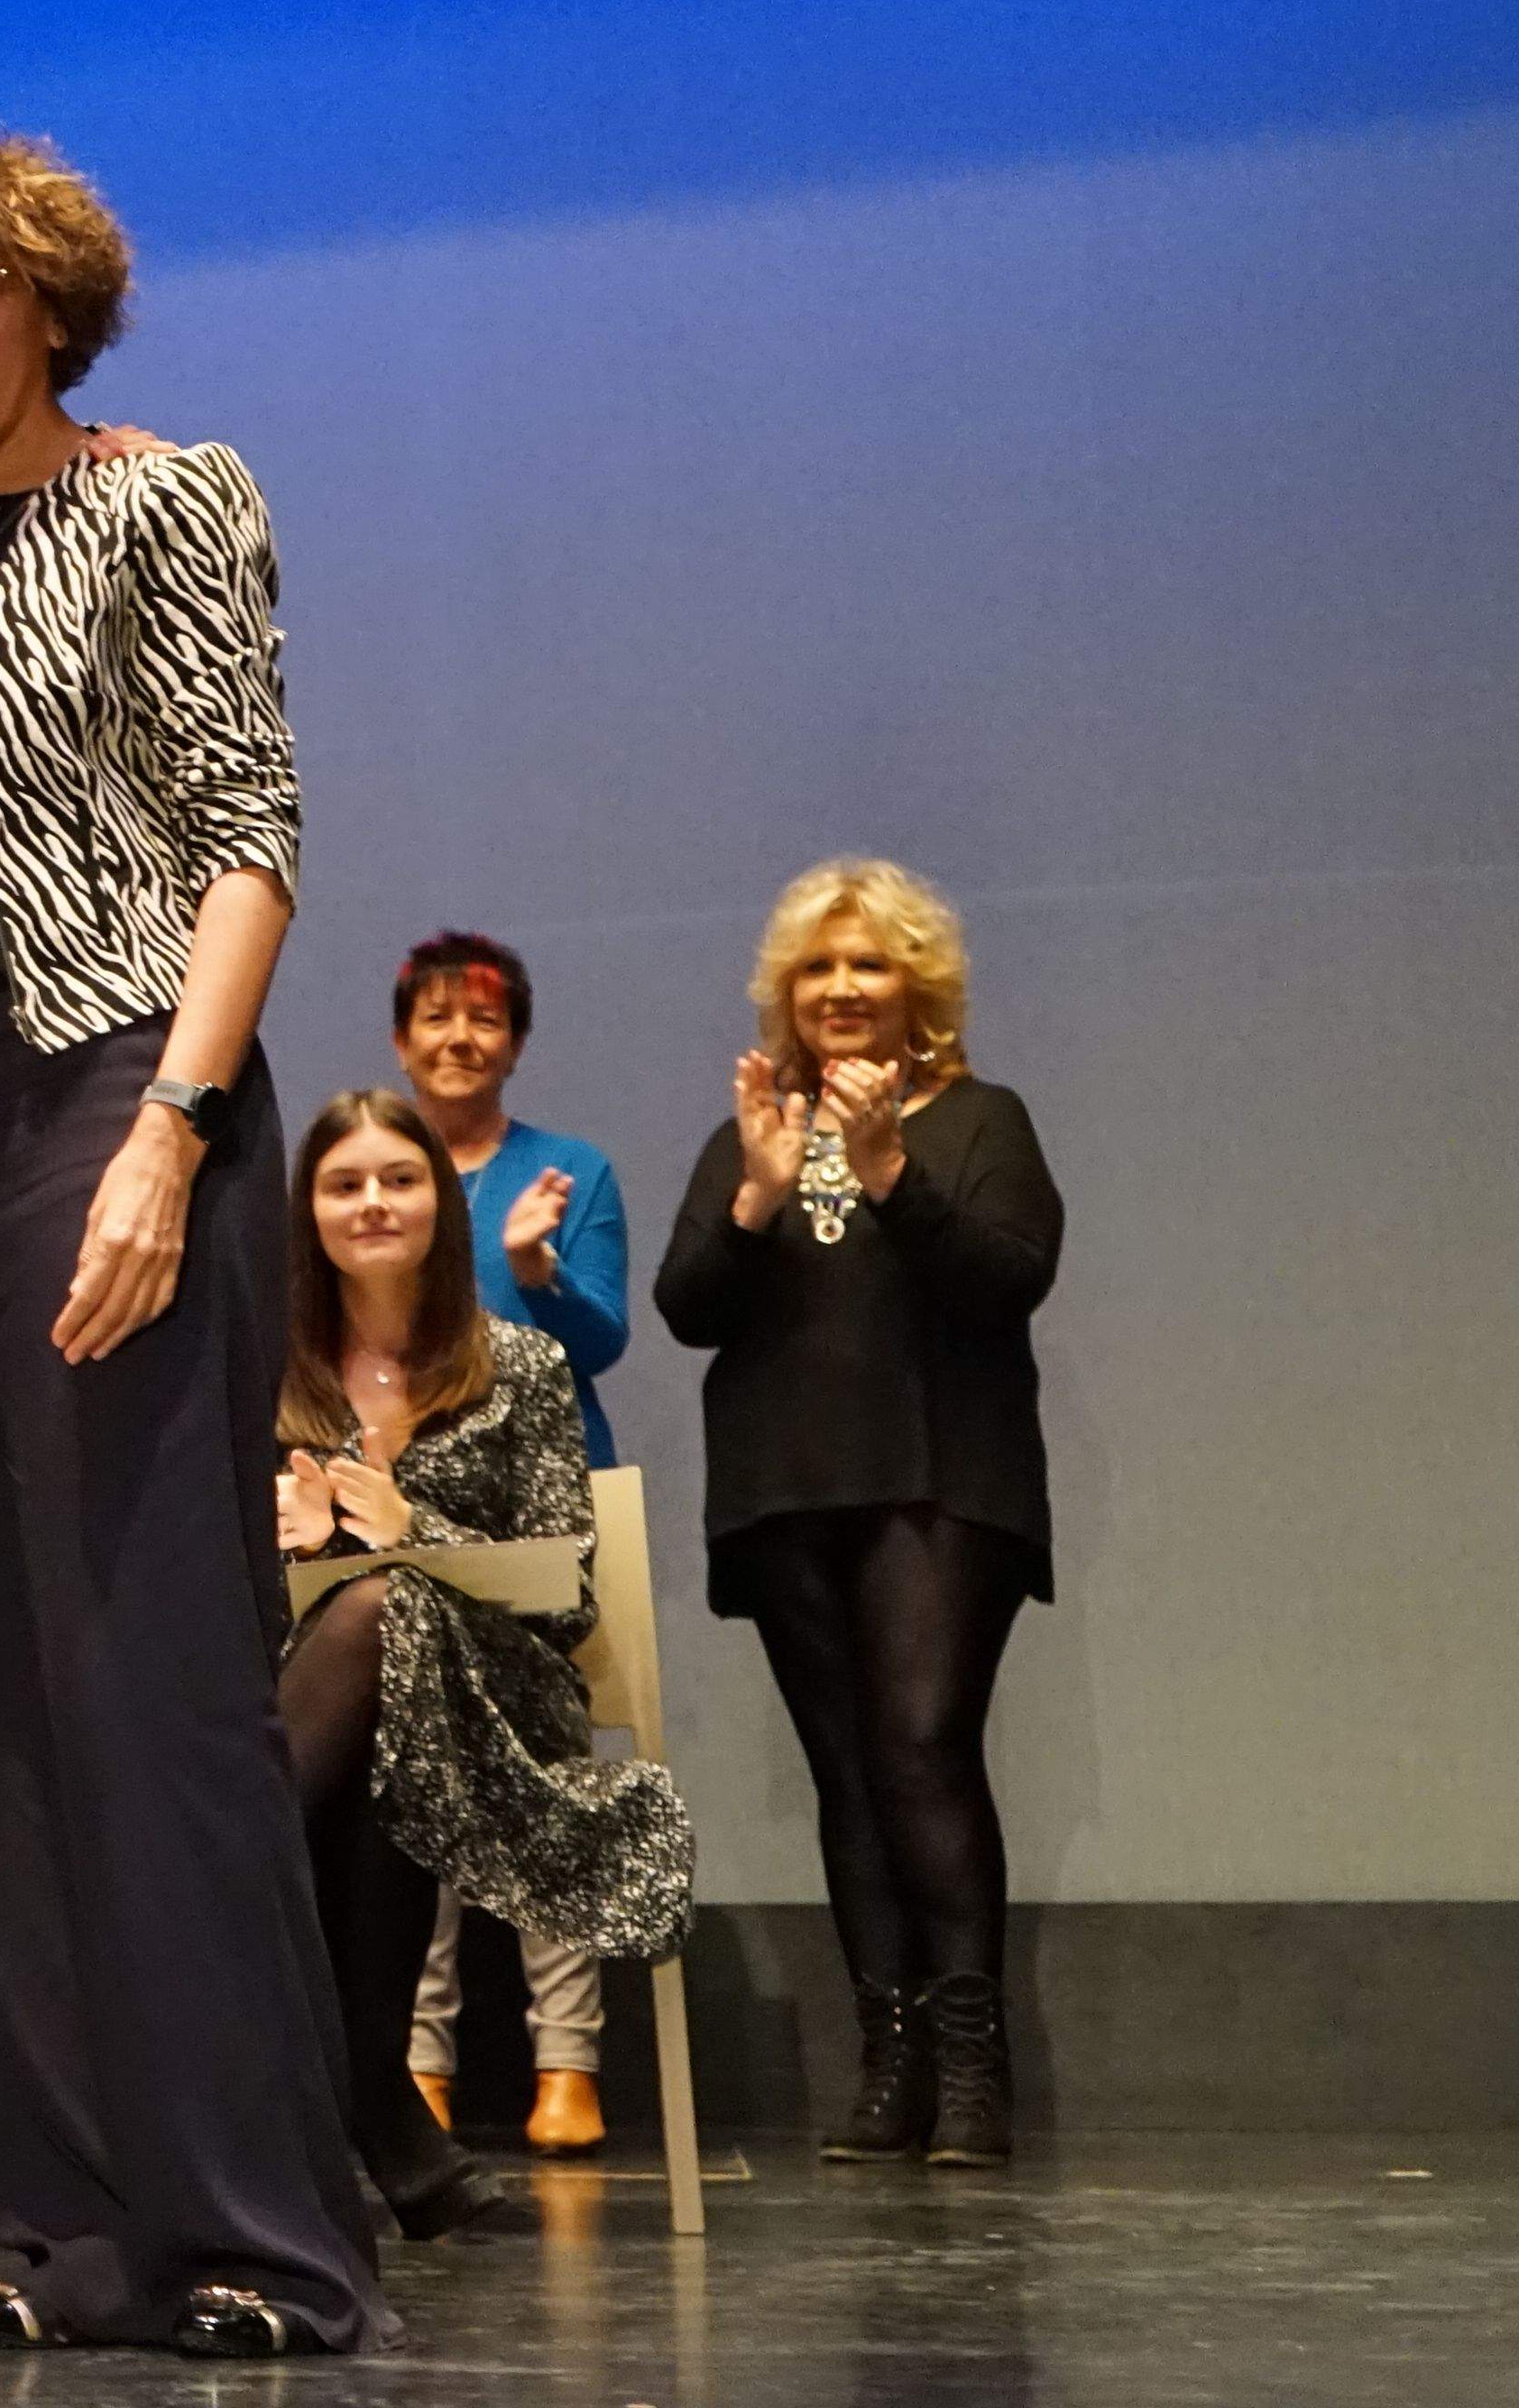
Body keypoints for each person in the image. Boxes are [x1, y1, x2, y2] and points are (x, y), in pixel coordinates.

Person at [0, 124, 363, 2356]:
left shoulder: (166, 491)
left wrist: (171, 1132)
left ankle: (257, 2234)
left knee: (146, 1687)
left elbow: (247, 829)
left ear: (49, 303)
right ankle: (73, 2229)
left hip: (109, 1089)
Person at [656, 858, 1061, 2168]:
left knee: (923, 1746)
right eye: (819, 968)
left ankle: (972, 2070)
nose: (842, 988)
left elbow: (1011, 1280)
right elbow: (687, 1307)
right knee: (848, 1774)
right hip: (786, 1489)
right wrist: (761, 1193)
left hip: (943, 1481)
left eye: (869, 965)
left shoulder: (982, 1117)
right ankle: (887, 2068)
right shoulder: (749, 1130)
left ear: (917, 989)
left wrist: (891, 1169)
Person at [263, 1090, 695, 2242]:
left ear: (440, 1204)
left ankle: (230, 1912)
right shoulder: (263, 1363)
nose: (372, 1204)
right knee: (369, 1639)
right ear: (308, 1211)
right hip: (303, 1692)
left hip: (498, 1689)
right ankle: (378, 2101)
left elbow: (564, 1591)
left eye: (398, 1180)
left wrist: (410, 1528)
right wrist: (274, 1545)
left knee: (388, 1613)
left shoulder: (522, 1362)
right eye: (343, 1183)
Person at [380, 930, 635, 2152]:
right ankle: (415, 2059)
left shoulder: (571, 1170)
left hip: (545, 1505)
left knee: (552, 1771)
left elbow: (603, 1344)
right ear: (400, 1039)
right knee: (411, 1775)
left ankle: (567, 2065)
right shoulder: (379, 1169)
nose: (457, 1038)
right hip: (403, 1503)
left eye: (481, 1020)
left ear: (516, 1042)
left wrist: (537, 1265)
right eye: (433, 1018)